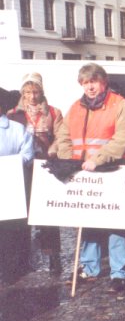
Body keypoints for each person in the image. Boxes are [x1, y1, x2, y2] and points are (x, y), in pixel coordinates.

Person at [56, 63, 125, 292]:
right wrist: (67, 160)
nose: (90, 87)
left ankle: (119, 272)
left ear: (103, 82)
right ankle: (89, 268)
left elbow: (123, 139)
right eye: (85, 82)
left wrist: (98, 159)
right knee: (87, 221)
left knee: (115, 223)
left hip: (111, 170)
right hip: (82, 172)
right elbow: (63, 135)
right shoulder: (76, 107)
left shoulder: (119, 105)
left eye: (94, 81)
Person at [8, 72, 63, 274]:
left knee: (48, 215)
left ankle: (53, 256)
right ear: (23, 92)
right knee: (22, 216)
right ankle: (22, 258)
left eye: (36, 92)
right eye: (28, 92)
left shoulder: (53, 112)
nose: (32, 97)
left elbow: (61, 136)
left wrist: (53, 149)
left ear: (42, 91)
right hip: (21, 170)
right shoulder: (13, 114)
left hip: (45, 166)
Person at [0, 88, 34, 285]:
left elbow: (28, 154)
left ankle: (10, 270)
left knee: (9, 230)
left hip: (10, 185)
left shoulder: (16, 128)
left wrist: (11, 164)